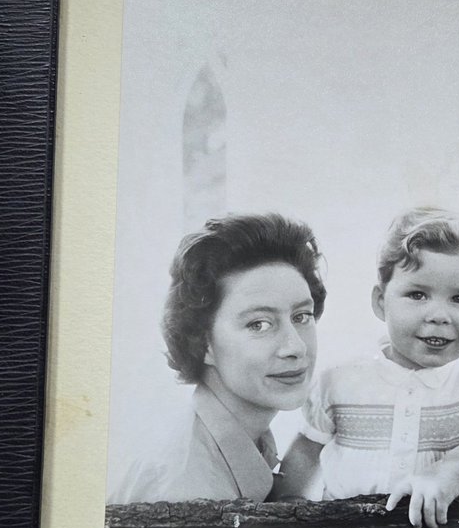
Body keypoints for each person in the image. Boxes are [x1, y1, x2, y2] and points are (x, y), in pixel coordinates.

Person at [280, 208, 459, 528]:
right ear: (380, 302)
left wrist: (450, 471)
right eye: (417, 294)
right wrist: (289, 514)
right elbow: (303, 457)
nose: (438, 315)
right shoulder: (340, 381)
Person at [109, 213, 326, 504]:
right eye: (259, 324)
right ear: (204, 343)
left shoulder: (245, 439)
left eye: (301, 316)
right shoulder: (186, 489)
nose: (295, 347)